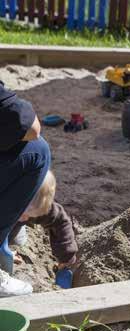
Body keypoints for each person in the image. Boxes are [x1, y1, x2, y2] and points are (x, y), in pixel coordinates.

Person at [0, 81, 51, 297]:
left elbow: (59, 223)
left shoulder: (46, 209)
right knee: (38, 150)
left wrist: (67, 257)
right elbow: (29, 126)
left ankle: (8, 231)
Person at [10, 170, 78, 271]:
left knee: (18, 243)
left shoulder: (36, 204)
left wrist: (66, 256)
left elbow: (60, 222)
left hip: (12, 223)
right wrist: (5, 253)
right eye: (23, 213)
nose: (25, 218)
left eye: (30, 215)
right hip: (6, 219)